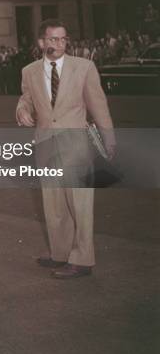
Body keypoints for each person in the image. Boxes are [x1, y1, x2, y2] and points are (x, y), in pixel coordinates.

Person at [16, 19, 115, 279]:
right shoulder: (29, 71)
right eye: (53, 39)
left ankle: (82, 260)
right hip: (46, 144)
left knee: (79, 202)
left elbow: (98, 104)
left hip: (76, 145)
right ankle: (60, 254)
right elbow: (25, 99)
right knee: (54, 203)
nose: (59, 44)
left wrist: (109, 138)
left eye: (62, 39)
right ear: (41, 42)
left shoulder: (84, 67)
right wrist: (22, 111)